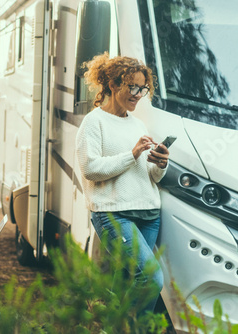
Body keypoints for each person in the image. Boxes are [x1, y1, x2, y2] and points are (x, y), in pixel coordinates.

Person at [76, 53, 170, 313]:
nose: (138, 94)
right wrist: (131, 154)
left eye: (143, 88)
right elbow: (91, 169)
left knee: (126, 281)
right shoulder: (93, 122)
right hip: (114, 214)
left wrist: (160, 164)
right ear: (114, 84)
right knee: (151, 279)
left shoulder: (138, 124)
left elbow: (148, 175)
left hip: (149, 214)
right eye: (133, 87)